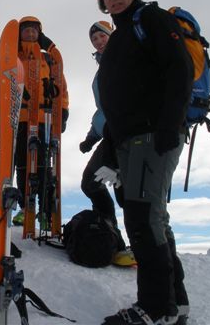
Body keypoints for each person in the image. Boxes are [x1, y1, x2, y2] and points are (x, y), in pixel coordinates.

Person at [96, 0, 192, 325]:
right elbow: (120, 101)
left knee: (142, 220)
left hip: (152, 135)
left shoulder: (150, 19)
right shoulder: (120, 36)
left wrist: (170, 124)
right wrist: (110, 147)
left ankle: (154, 308)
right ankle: (174, 303)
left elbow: (179, 69)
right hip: (131, 140)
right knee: (153, 219)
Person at [0, 16, 69, 230]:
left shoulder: (48, 59)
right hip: (17, 119)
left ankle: (45, 211)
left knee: (43, 165)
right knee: (22, 164)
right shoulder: (11, 59)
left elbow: (62, 87)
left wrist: (63, 111)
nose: (31, 34)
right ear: (19, 34)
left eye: (34, 30)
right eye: (26, 30)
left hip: (44, 119)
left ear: (40, 34)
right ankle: (26, 208)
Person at [79, 21, 136, 267]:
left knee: (124, 192)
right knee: (94, 183)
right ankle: (113, 236)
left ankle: (137, 246)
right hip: (110, 137)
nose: (99, 41)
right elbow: (103, 110)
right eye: (95, 39)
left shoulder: (124, 60)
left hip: (125, 138)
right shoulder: (101, 72)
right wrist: (92, 137)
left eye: (102, 36)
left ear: (112, 36)